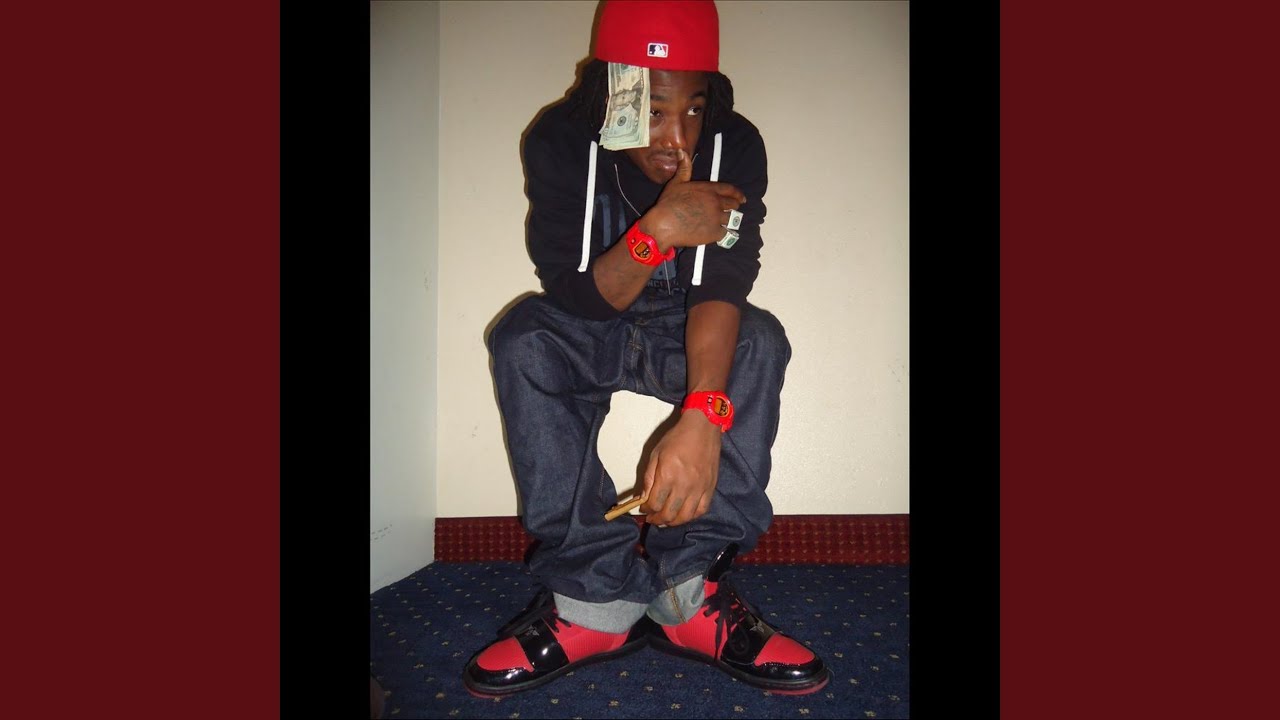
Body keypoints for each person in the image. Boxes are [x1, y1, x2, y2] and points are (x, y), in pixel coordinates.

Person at [464, 0, 830, 697]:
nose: (676, 137)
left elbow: (722, 285)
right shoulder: (560, 138)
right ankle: (592, 602)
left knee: (757, 340)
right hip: (588, 320)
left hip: (682, 324)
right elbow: (577, 296)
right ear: (612, 93)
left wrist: (703, 415)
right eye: (654, 109)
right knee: (525, 337)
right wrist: (658, 229)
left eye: (693, 108)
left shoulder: (732, 145)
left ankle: (688, 597)